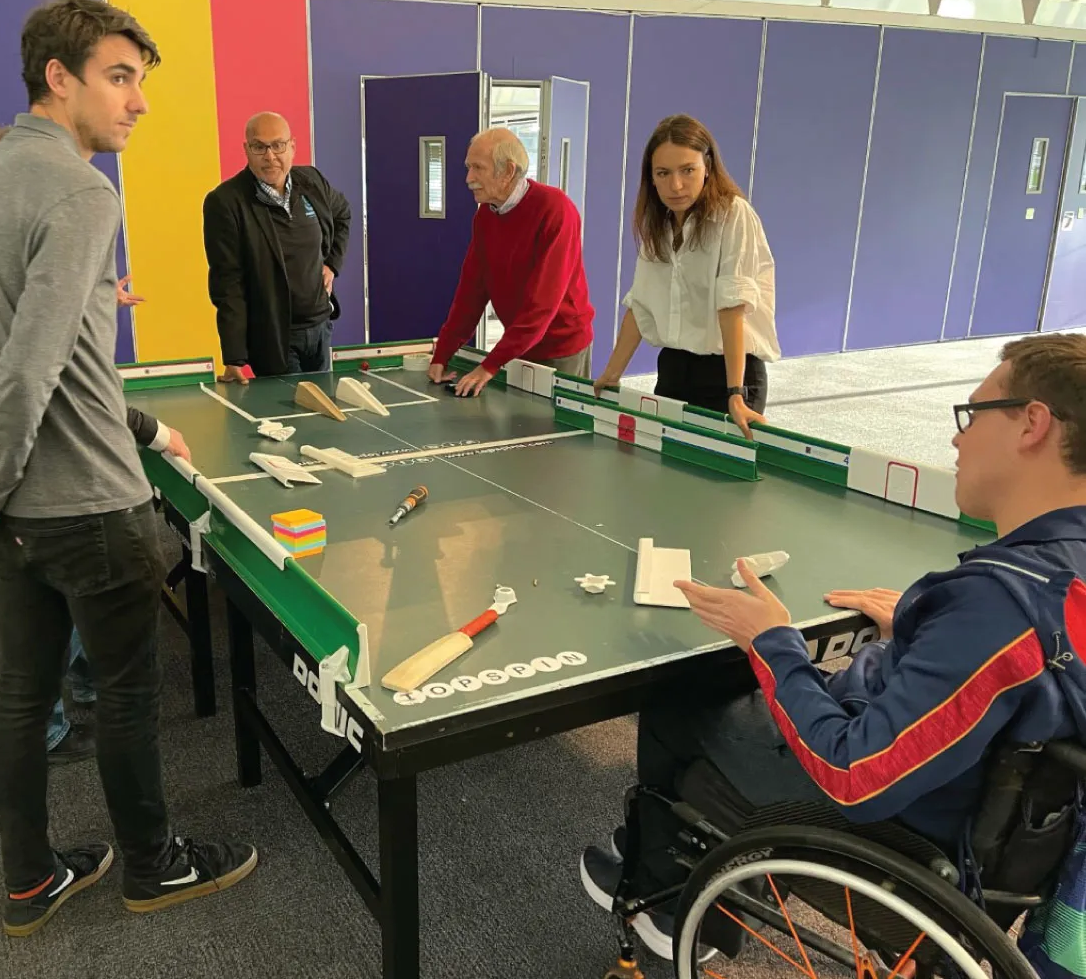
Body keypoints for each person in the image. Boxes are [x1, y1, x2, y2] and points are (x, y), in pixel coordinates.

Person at [580, 332, 1086, 960]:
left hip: (894, 835)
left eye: (972, 414)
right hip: (981, 811)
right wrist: (927, 632)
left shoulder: (1000, 610)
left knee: (684, 698)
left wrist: (775, 642)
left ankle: (665, 896)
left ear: (1032, 424)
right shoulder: (1048, 582)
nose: (958, 437)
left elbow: (855, 775)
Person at [0, 0, 255, 937]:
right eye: (119, 77)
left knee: (23, 693)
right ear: (57, 78)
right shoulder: (80, 189)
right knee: (128, 698)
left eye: (140, 80)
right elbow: (29, 363)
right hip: (85, 509)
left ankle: (30, 879)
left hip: (16, 510)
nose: (138, 101)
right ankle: (154, 866)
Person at [0, 125, 151, 766]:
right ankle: (144, 852)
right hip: (33, 482)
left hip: (12, 476)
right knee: (63, 664)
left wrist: (97, 295)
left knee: (37, 657)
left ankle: (37, 867)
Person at [593, 114, 778, 439]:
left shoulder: (733, 214)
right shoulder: (658, 226)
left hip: (730, 369)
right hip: (676, 369)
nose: (675, 185)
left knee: (719, 479)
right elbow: (641, 306)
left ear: (707, 166)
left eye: (687, 170)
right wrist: (612, 373)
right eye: (663, 173)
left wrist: (735, 392)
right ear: (651, 177)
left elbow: (732, 308)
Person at [427, 127, 595, 397]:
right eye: (468, 167)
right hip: (521, 344)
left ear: (507, 172)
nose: (469, 178)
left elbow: (542, 305)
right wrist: (442, 353)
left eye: (478, 168)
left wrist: (490, 365)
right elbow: (471, 290)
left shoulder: (556, 209)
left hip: (561, 347)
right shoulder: (485, 215)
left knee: (556, 435)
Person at [203, 111, 352, 381]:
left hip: (321, 326)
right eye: (260, 147)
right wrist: (234, 356)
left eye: (278, 145)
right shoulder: (225, 202)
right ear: (247, 150)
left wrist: (332, 264)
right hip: (273, 337)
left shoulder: (313, 182)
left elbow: (343, 215)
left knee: (323, 418)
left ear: (292, 147)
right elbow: (228, 283)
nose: (270, 156)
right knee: (291, 420)